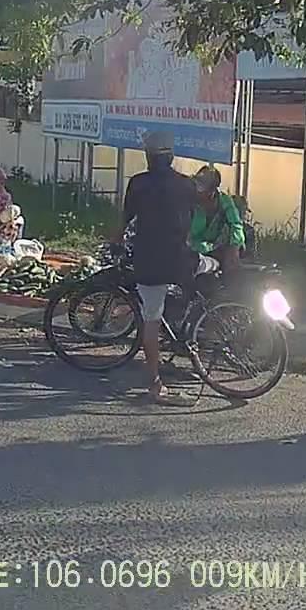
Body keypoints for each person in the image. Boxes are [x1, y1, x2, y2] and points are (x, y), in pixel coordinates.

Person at [117, 131, 212, 406]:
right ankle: (196, 322)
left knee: (151, 318)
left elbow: (126, 219)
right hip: (180, 259)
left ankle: (155, 382)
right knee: (210, 269)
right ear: (171, 156)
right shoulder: (186, 185)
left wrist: (115, 240)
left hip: (148, 259)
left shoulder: (138, 183)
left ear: (148, 156)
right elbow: (191, 219)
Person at [189, 165, 246, 272]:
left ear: (213, 190)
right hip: (191, 249)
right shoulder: (189, 201)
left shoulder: (224, 200)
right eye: (197, 184)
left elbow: (236, 224)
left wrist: (234, 247)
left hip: (214, 249)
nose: (198, 190)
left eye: (202, 187)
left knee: (232, 266)